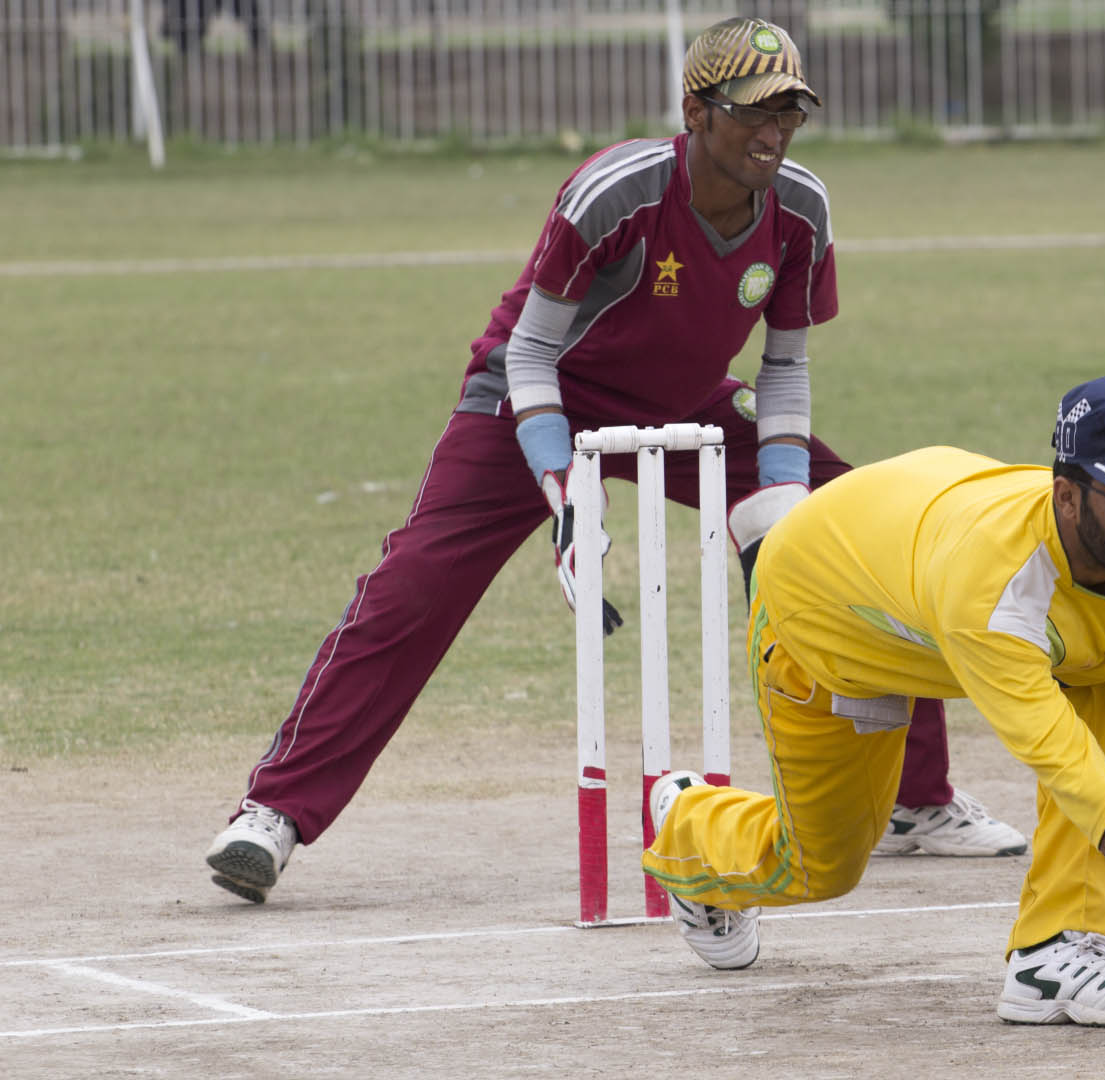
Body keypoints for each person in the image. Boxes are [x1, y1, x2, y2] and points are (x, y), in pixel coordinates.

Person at [203, 15, 1023, 907]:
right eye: (752, 111)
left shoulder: (801, 209)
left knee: (861, 525)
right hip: (534, 398)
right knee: (416, 586)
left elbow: (783, 369)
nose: (772, 132)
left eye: (789, 111)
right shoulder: (617, 191)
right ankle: (272, 814)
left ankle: (917, 800)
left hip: (686, 399)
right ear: (695, 111)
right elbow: (528, 354)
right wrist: (564, 493)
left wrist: (787, 499)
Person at [642, 373, 1105, 1026]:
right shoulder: (998, 587)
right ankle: (692, 827)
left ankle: (1058, 951)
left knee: (1103, 666)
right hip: (825, 608)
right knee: (821, 866)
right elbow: (1076, 775)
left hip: (912, 559)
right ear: (1067, 495)